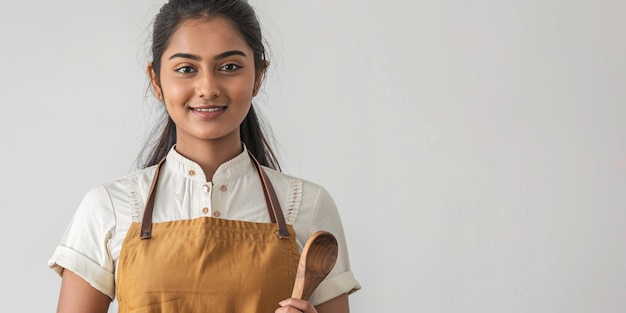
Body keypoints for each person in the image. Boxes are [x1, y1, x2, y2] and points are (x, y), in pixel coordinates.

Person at [47, 0, 361, 312]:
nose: (208, 88)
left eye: (230, 67)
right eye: (186, 69)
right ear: (156, 80)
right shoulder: (109, 206)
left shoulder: (308, 205)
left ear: (258, 76)